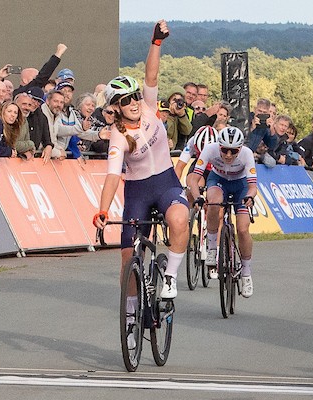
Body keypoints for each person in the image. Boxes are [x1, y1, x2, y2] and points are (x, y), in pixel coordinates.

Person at [93, 20, 189, 302]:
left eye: (134, 96)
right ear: (115, 108)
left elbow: (152, 74)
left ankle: (170, 275)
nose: (134, 102)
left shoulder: (148, 108)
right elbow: (112, 176)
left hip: (165, 182)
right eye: (126, 100)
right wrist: (102, 210)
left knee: (180, 218)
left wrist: (156, 42)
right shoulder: (117, 137)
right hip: (137, 192)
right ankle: (132, 315)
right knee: (128, 260)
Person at [187, 126, 257, 298]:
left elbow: (253, 186)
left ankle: (246, 273)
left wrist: (249, 197)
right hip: (218, 179)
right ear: (219, 145)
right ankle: (212, 248)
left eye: (233, 151)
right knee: (214, 202)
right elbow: (194, 179)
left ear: (240, 148)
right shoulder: (210, 150)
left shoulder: (247, 154)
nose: (227, 155)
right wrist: (197, 197)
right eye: (224, 149)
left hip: (240, 184)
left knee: (242, 228)